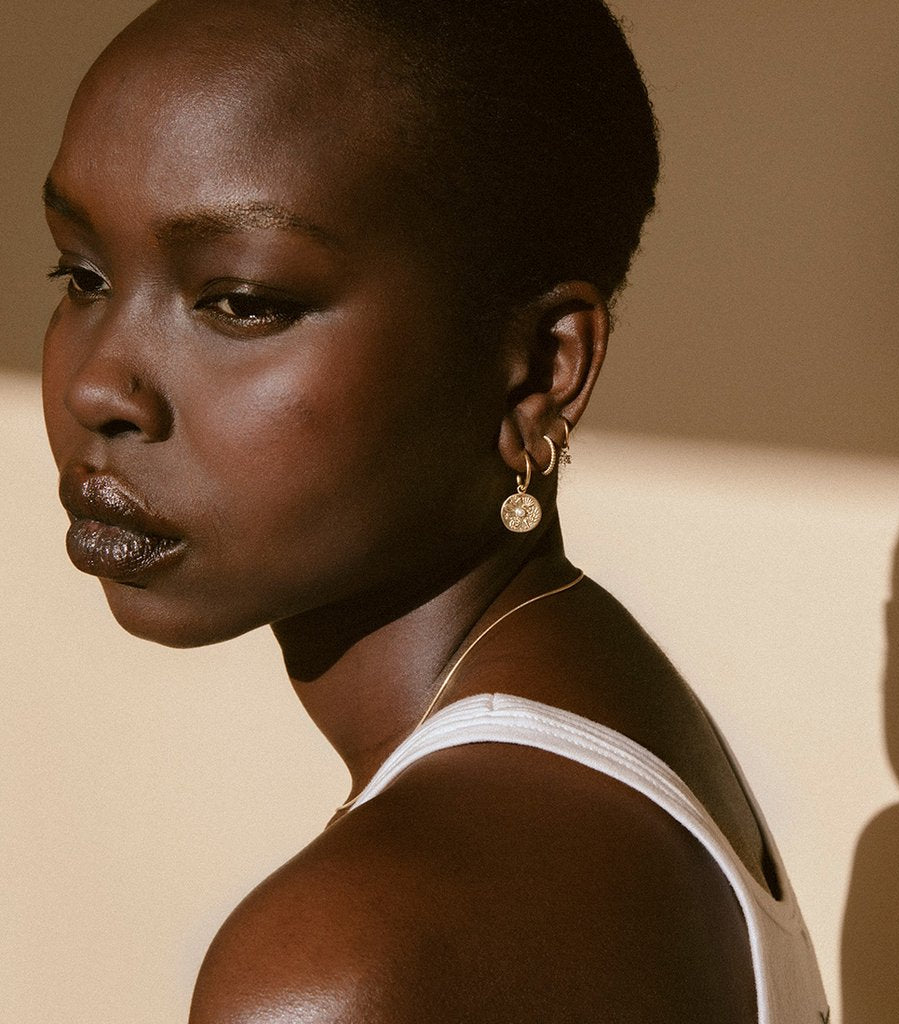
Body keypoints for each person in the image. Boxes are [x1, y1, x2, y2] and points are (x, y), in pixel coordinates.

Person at [41, 1, 827, 1020]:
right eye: (83, 275)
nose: (99, 387)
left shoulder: (356, 958)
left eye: (243, 302)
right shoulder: (605, 706)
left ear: (538, 369)